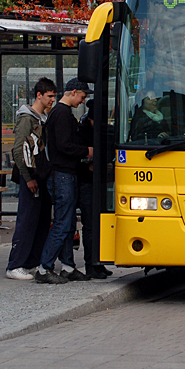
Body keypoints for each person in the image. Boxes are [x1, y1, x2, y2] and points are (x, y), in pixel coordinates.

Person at [34, 78, 93, 284]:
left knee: (67, 221)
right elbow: (64, 145)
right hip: (62, 174)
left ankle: (67, 265)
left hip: (64, 173)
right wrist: (87, 151)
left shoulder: (60, 113)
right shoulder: (61, 114)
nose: (83, 102)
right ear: (73, 92)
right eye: (83, 97)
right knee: (62, 222)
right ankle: (44, 268)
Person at [5, 78, 56, 281]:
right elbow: (18, 150)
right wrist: (27, 178)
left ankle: (31, 262)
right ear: (39, 95)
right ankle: (15, 264)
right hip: (32, 177)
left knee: (41, 220)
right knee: (27, 221)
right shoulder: (27, 119)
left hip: (40, 175)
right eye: (50, 96)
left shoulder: (42, 117)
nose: (52, 100)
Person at [76, 99, 112, 279]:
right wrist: (89, 164)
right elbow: (77, 155)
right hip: (87, 182)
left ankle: (99, 262)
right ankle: (91, 264)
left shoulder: (98, 130)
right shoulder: (83, 132)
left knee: (98, 223)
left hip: (97, 181)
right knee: (90, 224)